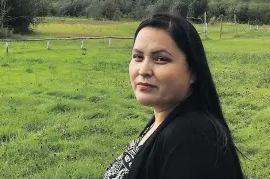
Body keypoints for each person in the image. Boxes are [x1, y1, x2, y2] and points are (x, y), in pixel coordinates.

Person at [103, 13, 246, 179]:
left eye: (161, 59)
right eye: (138, 57)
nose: (143, 70)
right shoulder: (164, 120)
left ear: (193, 71)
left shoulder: (193, 139)